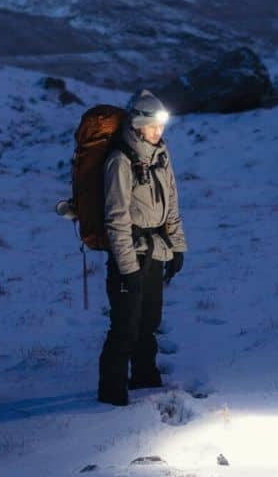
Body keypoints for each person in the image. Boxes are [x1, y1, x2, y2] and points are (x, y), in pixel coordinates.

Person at [97, 89, 188, 406]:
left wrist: (177, 247)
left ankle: (145, 380)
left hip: (156, 249)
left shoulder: (161, 154)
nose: (158, 132)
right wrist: (127, 268)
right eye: (152, 126)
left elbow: (172, 203)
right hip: (130, 253)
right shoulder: (120, 161)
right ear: (136, 124)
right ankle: (112, 395)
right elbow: (116, 219)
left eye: (161, 126)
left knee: (148, 321)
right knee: (125, 326)